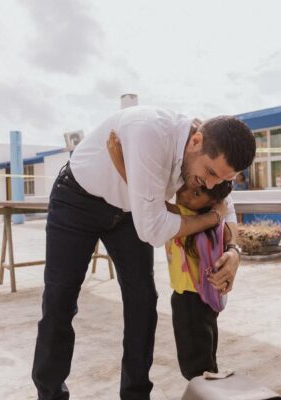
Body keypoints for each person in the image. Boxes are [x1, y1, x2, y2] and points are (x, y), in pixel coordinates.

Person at [31, 106, 256, 400]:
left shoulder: (211, 151)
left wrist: (234, 250)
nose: (211, 183)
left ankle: (135, 395)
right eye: (210, 173)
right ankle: (50, 395)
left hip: (131, 213)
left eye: (222, 178)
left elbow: (225, 203)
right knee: (60, 300)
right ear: (196, 141)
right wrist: (209, 219)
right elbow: (154, 230)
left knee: (143, 303)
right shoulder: (149, 132)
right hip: (78, 200)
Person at [107, 131, 233, 380]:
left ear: (209, 204)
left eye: (196, 195)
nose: (186, 194)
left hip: (191, 300)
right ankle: (211, 387)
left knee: (195, 366)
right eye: (190, 188)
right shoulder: (209, 220)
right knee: (205, 358)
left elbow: (146, 198)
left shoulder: (189, 216)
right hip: (200, 300)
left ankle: (207, 391)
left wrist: (119, 161)